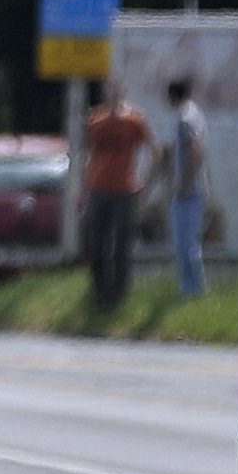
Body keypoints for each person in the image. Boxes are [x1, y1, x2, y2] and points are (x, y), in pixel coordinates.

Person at [82, 85, 154, 310]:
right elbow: (90, 155)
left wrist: (145, 184)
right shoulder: (96, 119)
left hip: (123, 190)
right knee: (97, 245)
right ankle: (99, 294)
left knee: (121, 246)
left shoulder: (134, 120)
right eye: (108, 92)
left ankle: (118, 296)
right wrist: (84, 189)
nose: (111, 95)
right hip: (98, 189)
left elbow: (155, 152)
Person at [160, 78, 211, 299]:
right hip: (193, 188)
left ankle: (191, 290)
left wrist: (184, 184)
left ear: (172, 95)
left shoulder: (184, 119)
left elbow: (195, 151)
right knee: (188, 242)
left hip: (188, 191)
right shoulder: (194, 115)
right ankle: (191, 289)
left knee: (185, 244)